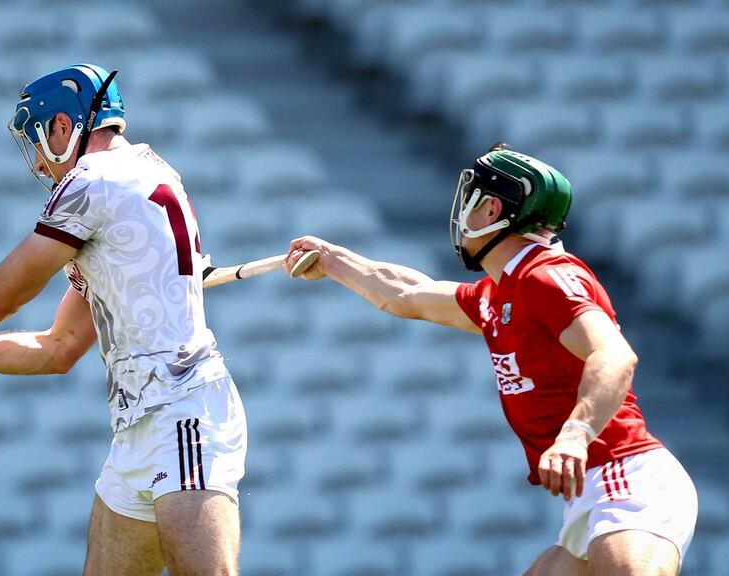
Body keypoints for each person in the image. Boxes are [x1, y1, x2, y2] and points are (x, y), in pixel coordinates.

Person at [0, 64, 246, 576]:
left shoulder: (92, 181)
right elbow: (60, 348)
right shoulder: (145, 173)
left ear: (64, 125)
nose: (38, 163)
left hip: (183, 412)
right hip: (137, 429)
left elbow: (0, 298)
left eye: (37, 141)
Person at [284, 144, 698, 575]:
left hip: (625, 477)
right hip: (591, 494)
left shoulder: (547, 278)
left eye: (472, 197)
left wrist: (575, 436)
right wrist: (333, 260)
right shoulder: (499, 292)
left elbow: (614, 354)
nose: (461, 209)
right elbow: (405, 294)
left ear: (492, 209)